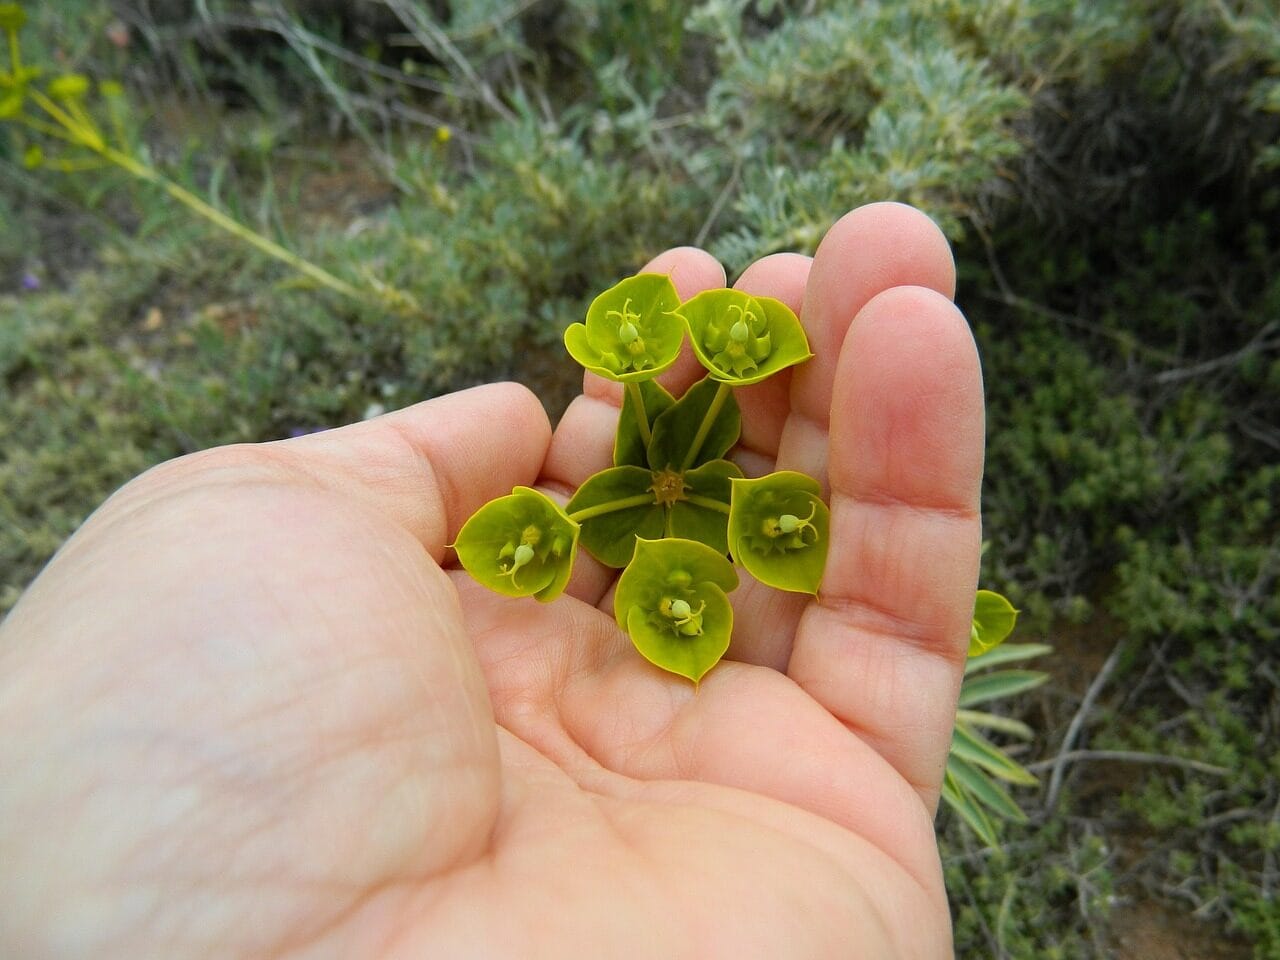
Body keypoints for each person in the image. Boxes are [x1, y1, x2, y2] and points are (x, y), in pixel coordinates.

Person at [0, 202, 984, 959]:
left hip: (682, 533)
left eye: (724, 348)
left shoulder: (704, 478)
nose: (714, 348)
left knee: (831, 527)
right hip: (622, 541)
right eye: (644, 345)